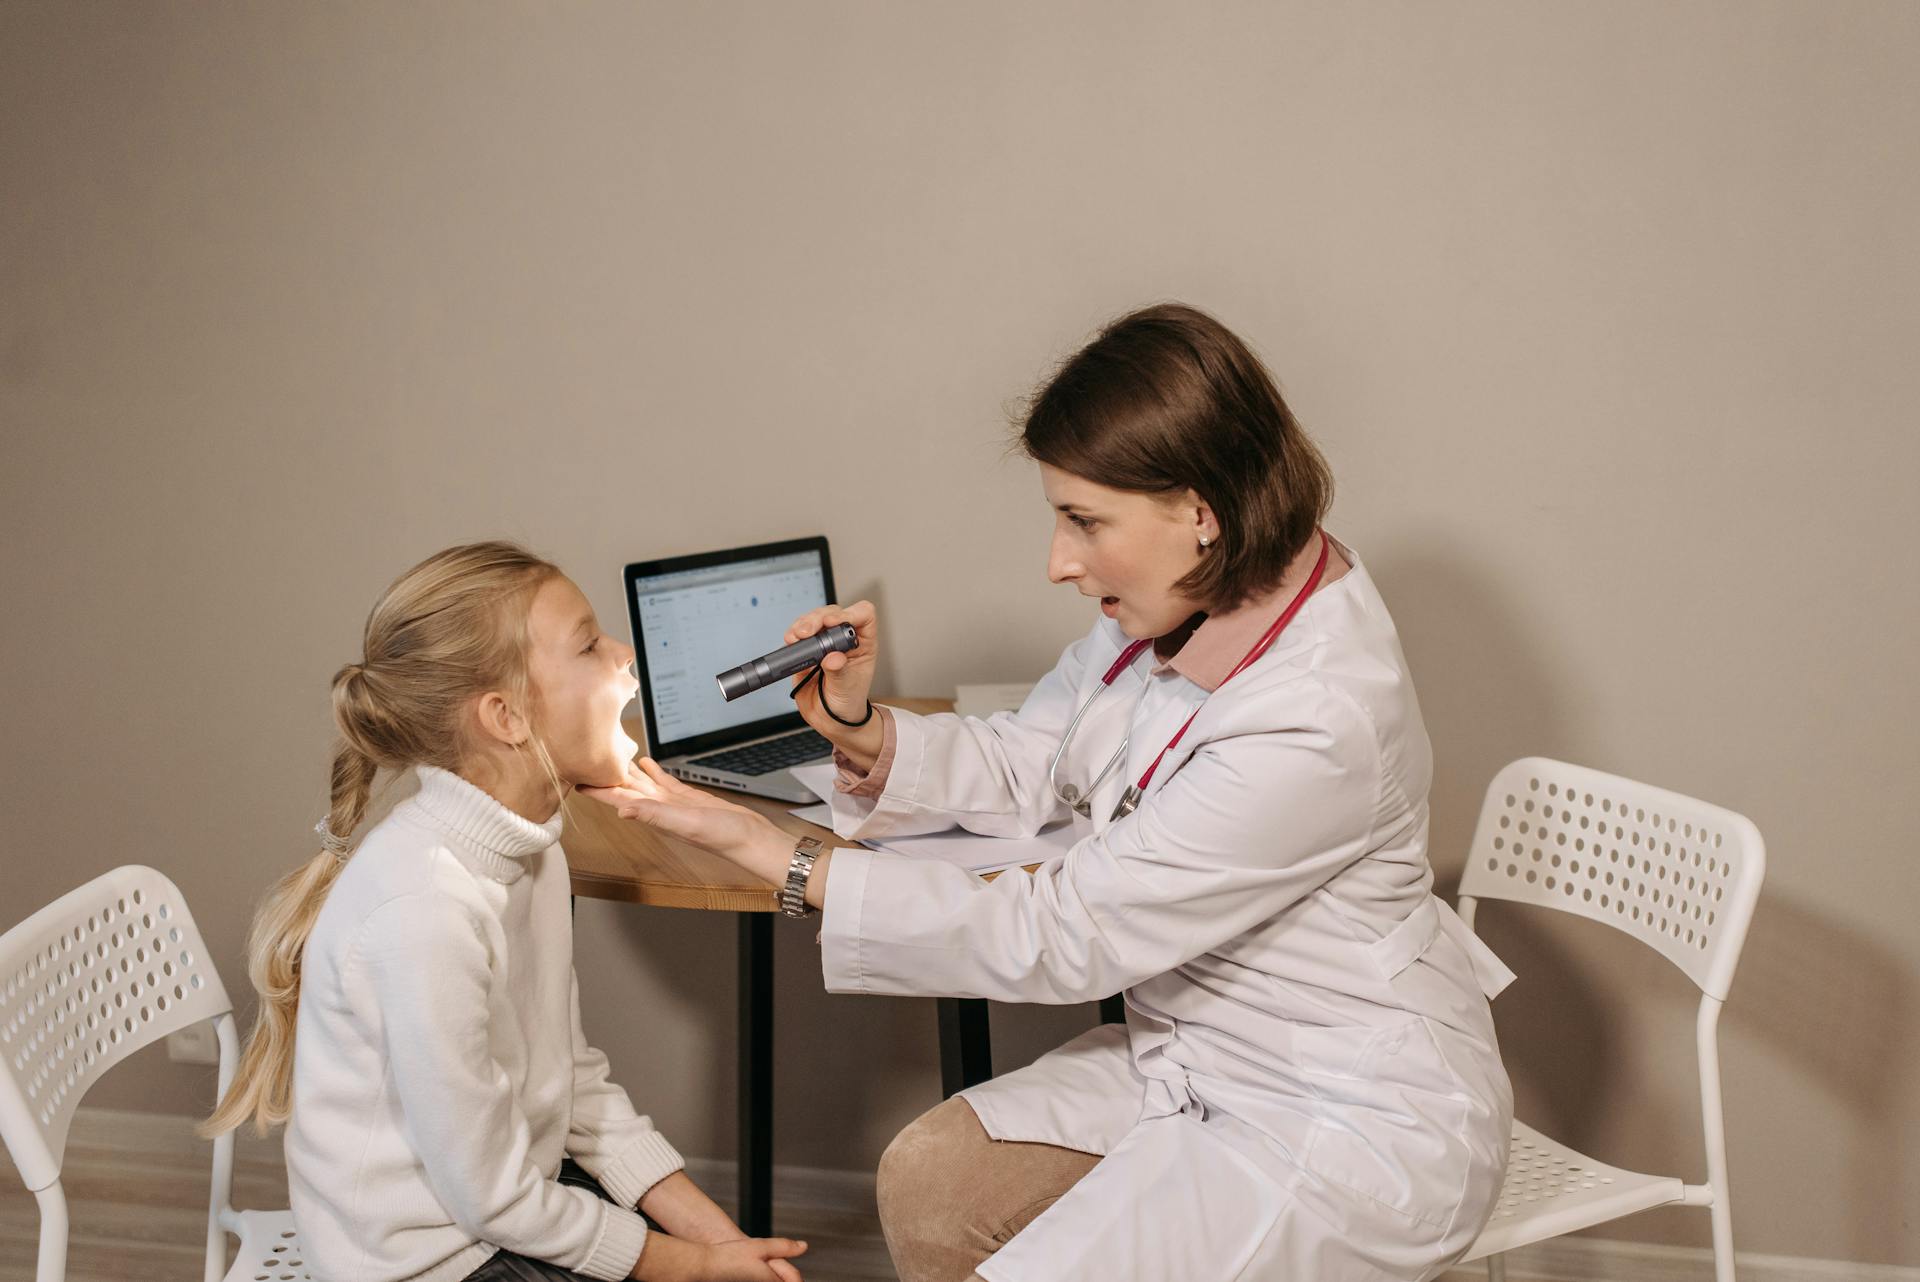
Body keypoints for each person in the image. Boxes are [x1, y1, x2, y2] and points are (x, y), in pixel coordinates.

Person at [587, 303, 1516, 1282]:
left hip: (1342, 1114)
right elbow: (1041, 751)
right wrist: (863, 728)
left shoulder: (1318, 715)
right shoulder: (1189, 592)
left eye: (1084, 521)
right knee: (929, 1180)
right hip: (1196, 1052)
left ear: (1198, 511)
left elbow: (1068, 930)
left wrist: (791, 860)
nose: (1058, 562)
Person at [205, 542, 808, 1282]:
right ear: (507, 717)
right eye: (589, 644)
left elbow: (572, 1080)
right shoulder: (424, 910)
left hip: (506, 1202)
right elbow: (492, 1201)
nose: (624, 656)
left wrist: (714, 1237)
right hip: (426, 1262)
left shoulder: (535, 853)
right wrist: (692, 1267)